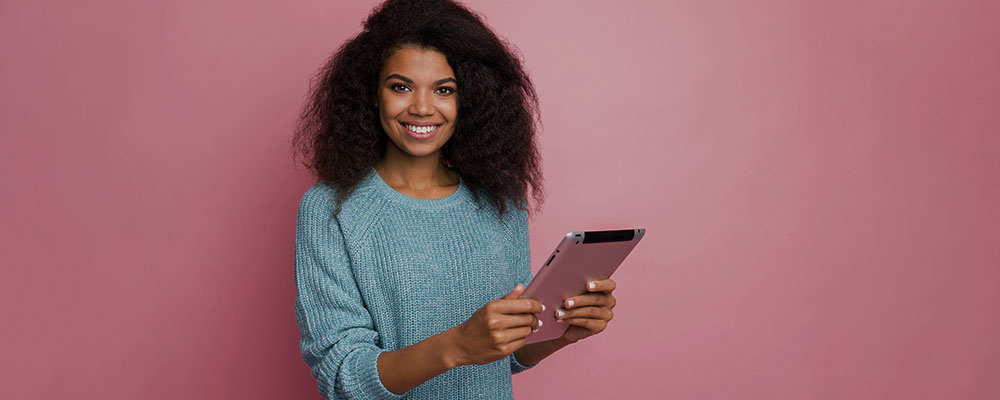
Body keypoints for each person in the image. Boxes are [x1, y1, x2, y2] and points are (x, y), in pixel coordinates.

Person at [291, 0, 617, 398]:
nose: (423, 107)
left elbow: (509, 354)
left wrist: (566, 332)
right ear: (372, 94)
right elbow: (343, 378)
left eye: (444, 90)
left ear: (469, 100)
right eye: (401, 87)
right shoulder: (331, 209)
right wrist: (457, 345)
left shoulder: (501, 200)